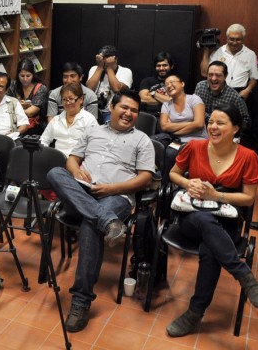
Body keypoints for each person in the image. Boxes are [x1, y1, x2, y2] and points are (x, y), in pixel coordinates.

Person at [47, 90, 155, 333]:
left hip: (117, 197)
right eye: (124, 107)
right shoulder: (92, 130)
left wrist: (111, 188)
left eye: (134, 110)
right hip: (82, 191)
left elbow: (146, 178)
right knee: (54, 173)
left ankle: (81, 301)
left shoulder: (142, 140)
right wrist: (76, 172)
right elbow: (72, 159)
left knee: (89, 225)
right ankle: (108, 223)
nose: (129, 113)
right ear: (112, 107)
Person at [166, 105, 258, 337]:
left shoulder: (248, 156)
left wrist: (217, 196)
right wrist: (187, 183)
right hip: (191, 216)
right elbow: (173, 173)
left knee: (211, 248)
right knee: (203, 220)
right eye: (210, 121)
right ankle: (243, 274)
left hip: (227, 219)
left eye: (220, 123)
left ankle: (194, 313)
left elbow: (249, 198)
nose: (212, 127)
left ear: (235, 128)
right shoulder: (194, 146)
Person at [159, 74, 207, 180]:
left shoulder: (194, 99)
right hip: (179, 140)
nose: (169, 85)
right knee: (165, 150)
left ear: (182, 84)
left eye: (172, 82)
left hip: (197, 139)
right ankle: (166, 187)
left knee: (172, 153)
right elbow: (164, 126)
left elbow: (199, 124)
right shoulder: (166, 105)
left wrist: (176, 130)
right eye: (166, 84)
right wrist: (190, 123)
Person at [200, 23, 258, 100]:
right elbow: (204, 73)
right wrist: (206, 50)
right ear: (227, 38)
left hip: (239, 93)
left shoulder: (250, 54)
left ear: (243, 39)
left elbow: (254, 78)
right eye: (231, 39)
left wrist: (247, 90)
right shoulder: (218, 52)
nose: (234, 42)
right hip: (219, 91)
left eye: (238, 39)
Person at [40, 83, 98, 157]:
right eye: (64, 99)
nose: (67, 103)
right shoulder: (56, 120)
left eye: (71, 99)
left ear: (81, 99)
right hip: (58, 160)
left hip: (80, 161)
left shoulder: (89, 119)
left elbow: (95, 144)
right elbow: (44, 140)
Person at [195, 61, 251, 131]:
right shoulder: (200, 87)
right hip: (201, 128)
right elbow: (194, 109)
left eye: (218, 75)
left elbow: (246, 121)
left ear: (225, 76)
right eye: (210, 75)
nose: (213, 78)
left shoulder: (235, 97)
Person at [85, 45, 133, 123]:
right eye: (103, 60)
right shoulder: (95, 69)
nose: (105, 63)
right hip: (94, 110)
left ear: (116, 60)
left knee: (109, 129)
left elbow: (116, 89)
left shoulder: (126, 71)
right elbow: (89, 89)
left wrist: (109, 68)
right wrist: (100, 67)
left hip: (113, 112)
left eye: (107, 60)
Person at [7, 58, 48, 135]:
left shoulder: (41, 88)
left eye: (28, 76)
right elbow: (5, 105)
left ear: (33, 74)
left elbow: (31, 112)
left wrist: (16, 106)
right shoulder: (13, 86)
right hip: (14, 122)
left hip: (34, 127)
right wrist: (21, 106)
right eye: (22, 76)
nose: (25, 79)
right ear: (18, 75)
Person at [139, 52, 175, 118]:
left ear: (171, 66)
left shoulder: (176, 82)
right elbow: (143, 99)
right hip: (147, 116)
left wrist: (153, 94)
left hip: (169, 117)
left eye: (164, 65)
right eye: (158, 66)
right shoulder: (147, 81)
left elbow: (174, 101)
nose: (161, 68)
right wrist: (165, 99)